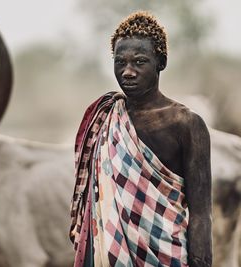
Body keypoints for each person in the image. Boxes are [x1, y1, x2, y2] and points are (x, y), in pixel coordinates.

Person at [69, 11, 212, 267]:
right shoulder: (105, 118)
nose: (128, 72)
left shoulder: (186, 123)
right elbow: (96, 211)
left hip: (168, 255)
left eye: (139, 62)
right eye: (120, 62)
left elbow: (201, 213)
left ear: (161, 62)